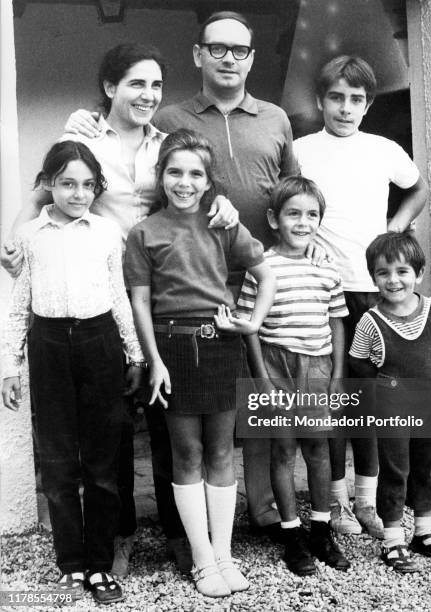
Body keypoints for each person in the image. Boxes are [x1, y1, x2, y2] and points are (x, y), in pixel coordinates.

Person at [0, 43, 237, 577]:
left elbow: (195, 184)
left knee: (169, 420)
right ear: (109, 88)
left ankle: (183, 537)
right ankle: (120, 535)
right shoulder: (79, 137)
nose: (148, 95)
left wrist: (219, 203)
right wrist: (15, 238)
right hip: (106, 296)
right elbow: (41, 198)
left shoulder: (166, 144)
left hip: (162, 292)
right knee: (114, 430)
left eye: (156, 85)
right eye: (136, 83)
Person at [124, 129, 276, 597]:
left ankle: (225, 555)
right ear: (160, 176)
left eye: (195, 174)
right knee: (186, 454)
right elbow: (141, 304)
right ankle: (203, 562)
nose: (184, 182)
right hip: (172, 350)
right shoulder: (144, 233)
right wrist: (155, 361)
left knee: (221, 452)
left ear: (209, 180)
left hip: (220, 344)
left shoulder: (223, 223)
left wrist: (252, 322)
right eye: (174, 172)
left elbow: (264, 273)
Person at [1, 141, 145, 604]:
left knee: (103, 460)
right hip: (48, 346)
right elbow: (19, 305)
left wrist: (135, 354)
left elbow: (119, 295)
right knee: (60, 460)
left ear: (97, 188)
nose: (77, 193)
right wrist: (11, 366)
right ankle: (71, 563)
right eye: (67, 183)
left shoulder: (106, 232)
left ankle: (100, 564)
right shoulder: (30, 236)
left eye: (87, 185)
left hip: (99, 342)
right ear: (48, 185)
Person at [293, 55, 429, 539]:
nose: (345, 108)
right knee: (332, 400)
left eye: (355, 99)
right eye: (336, 97)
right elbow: (290, 203)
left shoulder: (383, 148)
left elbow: (417, 191)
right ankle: (336, 504)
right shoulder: (301, 150)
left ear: (367, 104)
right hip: (324, 293)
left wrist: (393, 228)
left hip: (375, 294)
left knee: (370, 400)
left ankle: (368, 503)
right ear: (320, 100)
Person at [237, 176, 350, 576]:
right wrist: (261, 378)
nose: (302, 222)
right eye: (293, 214)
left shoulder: (326, 268)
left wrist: (337, 373)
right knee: (283, 450)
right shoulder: (262, 268)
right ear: (273, 218)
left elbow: (336, 321)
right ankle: (291, 534)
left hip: (317, 366)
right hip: (275, 365)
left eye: (311, 215)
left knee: (317, 450)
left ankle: (320, 528)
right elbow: (251, 325)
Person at [349, 231, 431, 572]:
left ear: (419, 274)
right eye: (383, 273)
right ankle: (393, 541)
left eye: (402, 271)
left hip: (430, 401)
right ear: (373, 278)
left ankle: (423, 533)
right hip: (392, 405)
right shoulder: (370, 321)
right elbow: (359, 362)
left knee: (424, 468)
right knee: (395, 470)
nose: (393, 280)